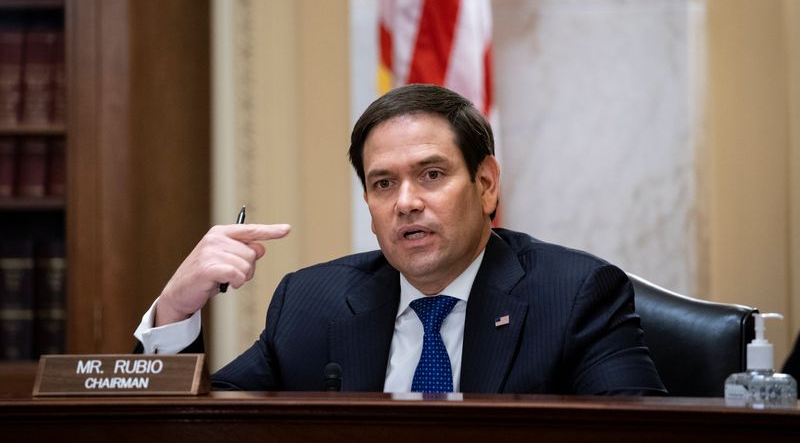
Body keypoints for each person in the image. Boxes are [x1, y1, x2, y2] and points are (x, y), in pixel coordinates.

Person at [135, 83, 666, 395]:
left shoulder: (574, 295)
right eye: (383, 183)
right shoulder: (310, 303)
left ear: (485, 185)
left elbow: (639, 439)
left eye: (432, 175)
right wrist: (174, 314)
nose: (406, 201)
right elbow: (197, 429)